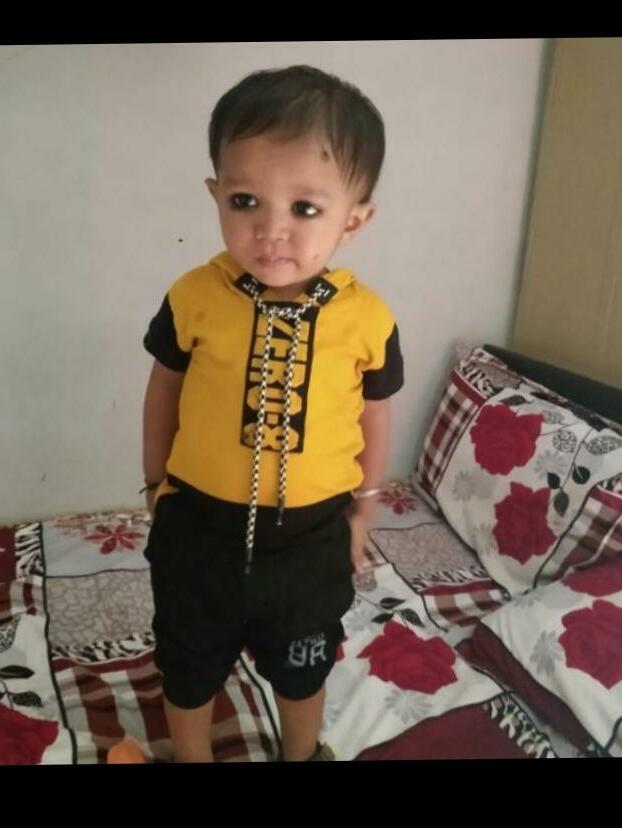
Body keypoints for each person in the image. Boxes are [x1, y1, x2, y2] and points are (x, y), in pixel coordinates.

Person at [141, 65, 404, 762]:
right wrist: (154, 485)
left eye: (305, 209)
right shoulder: (193, 296)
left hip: (310, 540)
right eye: (245, 200)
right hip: (198, 530)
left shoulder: (368, 319)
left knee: (303, 666)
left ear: (355, 218)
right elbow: (164, 387)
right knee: (186, 662)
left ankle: (302, 753)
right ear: (216, 195)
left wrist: (364, 510)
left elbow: (375, 416)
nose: (270, 231)